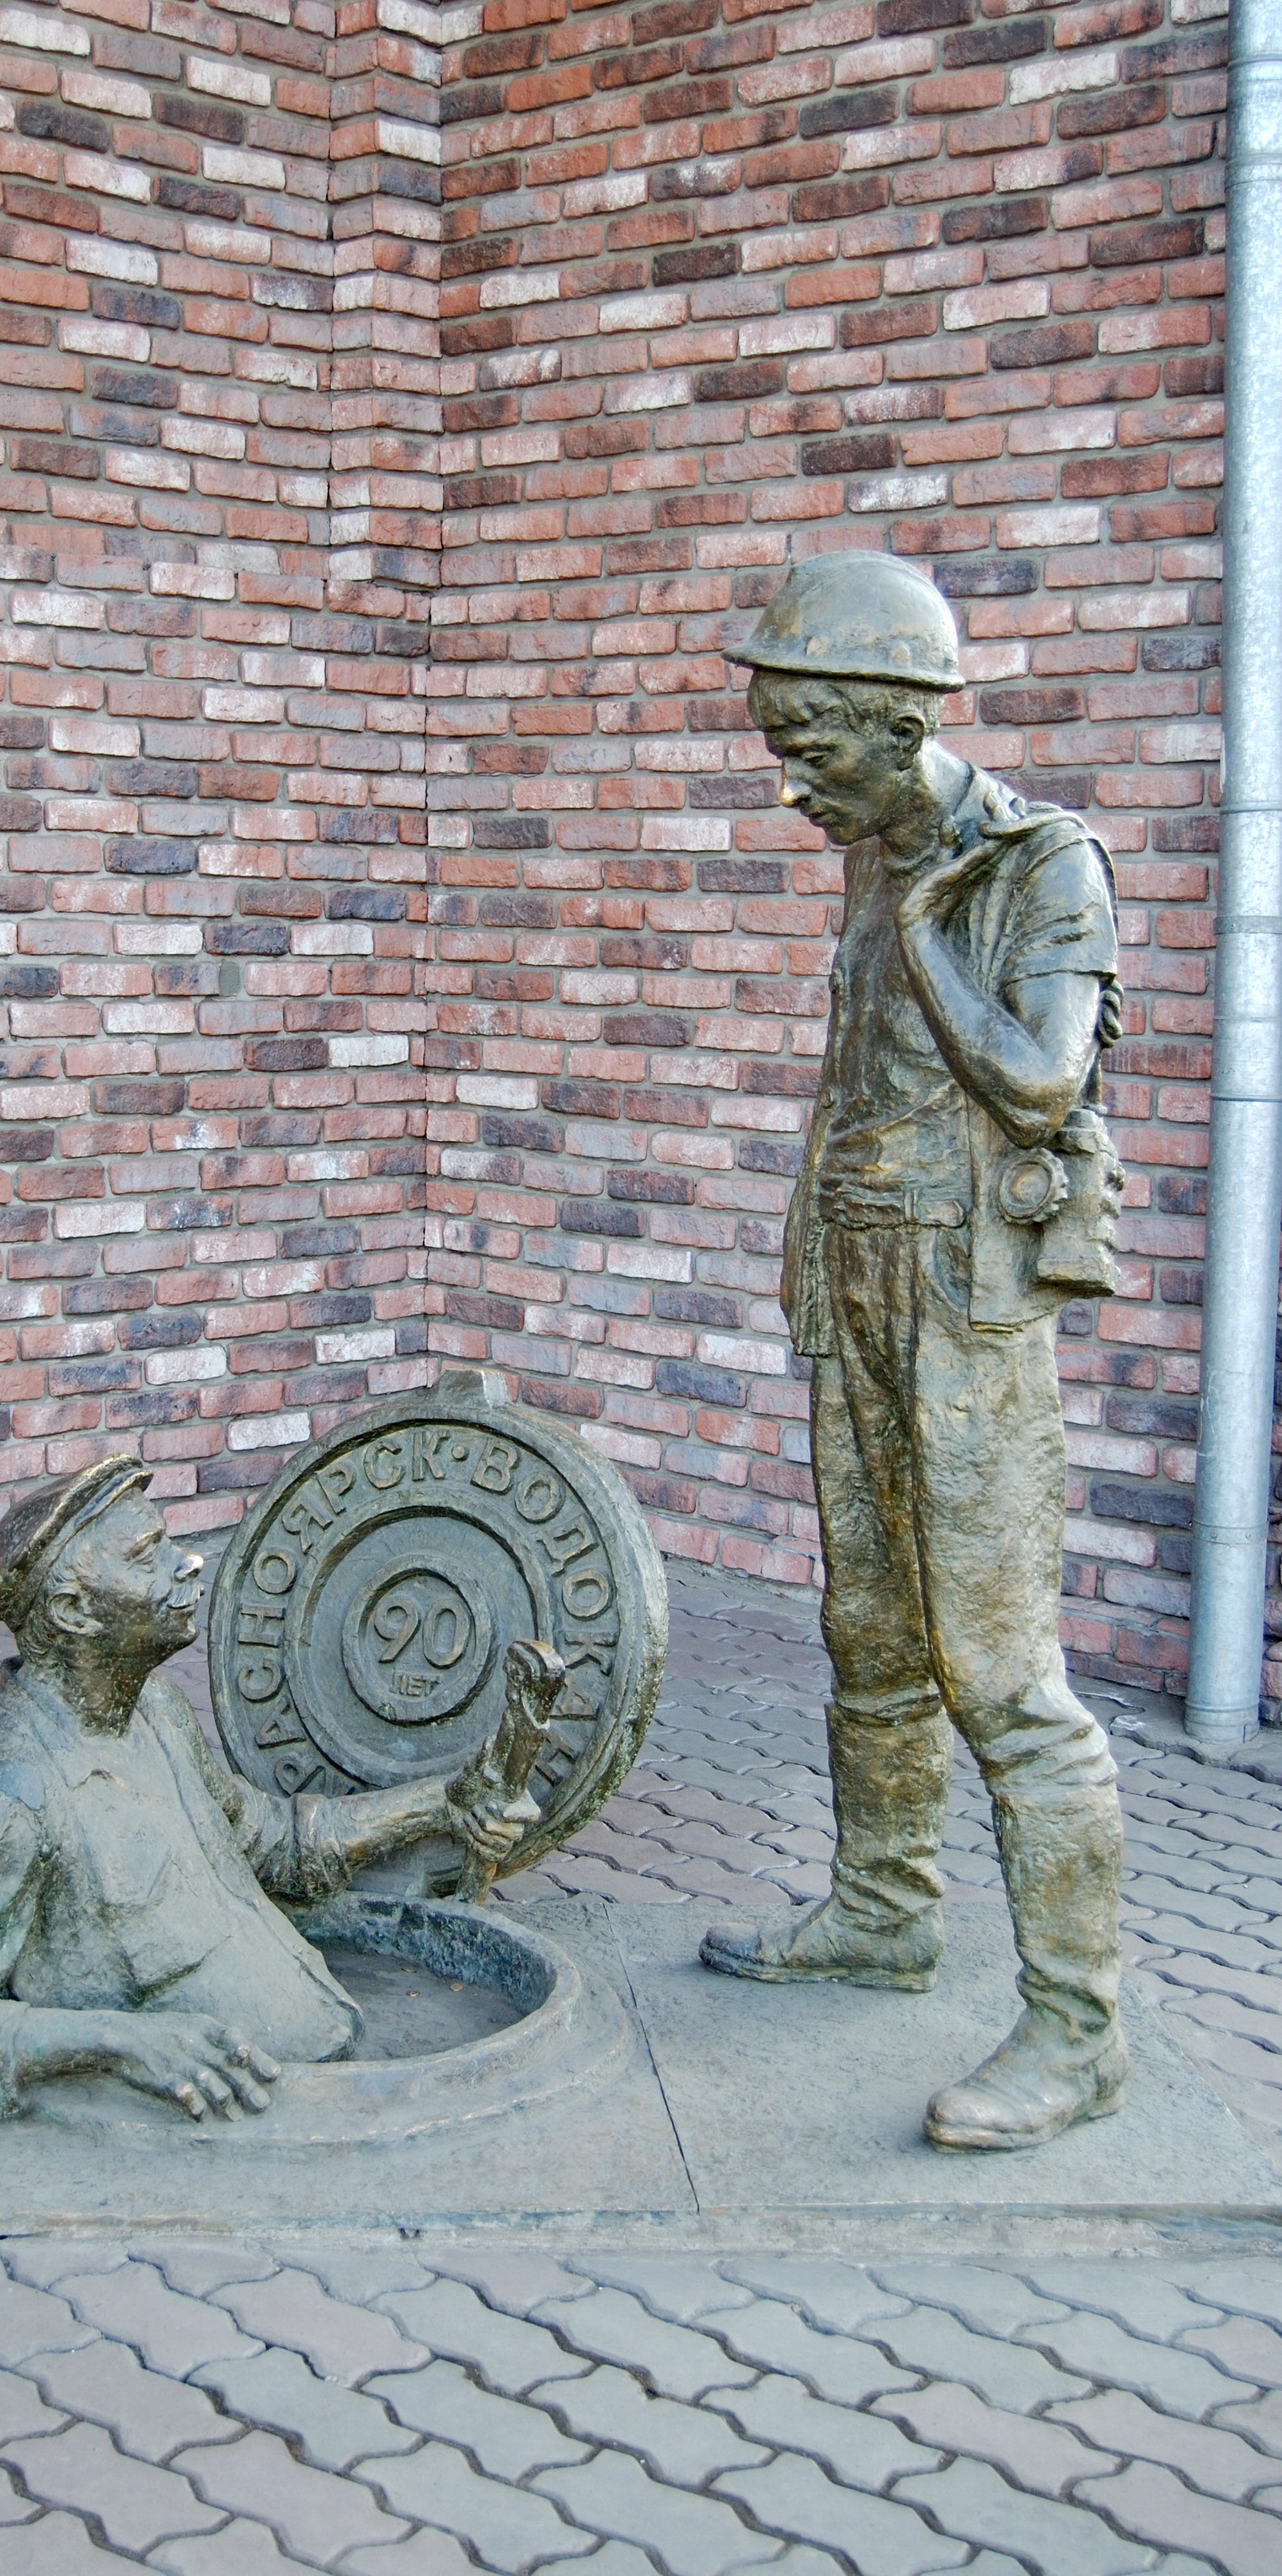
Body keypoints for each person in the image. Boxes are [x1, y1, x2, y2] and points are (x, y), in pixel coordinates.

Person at [697, 552, 1130, 2152]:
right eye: (776, 747)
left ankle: (1079, 2028)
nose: (790, 781)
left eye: (811, 748)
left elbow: (1032, 1081)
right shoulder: (869, 844)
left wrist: (936, 933)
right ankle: (883, 1911)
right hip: (865, 1284)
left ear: (893, 717)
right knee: (866, 1633)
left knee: (1004, 1677)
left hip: (969, 1310)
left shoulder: (1032, 863)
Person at [0, 1456, 528, 2123]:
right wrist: (121, 2044)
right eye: (149, 1554)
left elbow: (273, 1842)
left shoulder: (154, 1707)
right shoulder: (9, 1789)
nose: (189, 1563)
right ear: (74, 1610)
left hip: (319, 2068)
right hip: (226, 2120)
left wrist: (442, 1801)